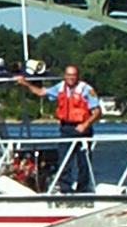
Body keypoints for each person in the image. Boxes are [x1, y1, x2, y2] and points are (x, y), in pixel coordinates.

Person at [16, 64, 101, 193]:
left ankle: (83, 188)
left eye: (73, 75)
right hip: (66, 128)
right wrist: (26, 83)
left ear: (77, 76)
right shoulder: (60, 87)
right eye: (68, 75)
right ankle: (65, 188)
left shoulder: (86, 89)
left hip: (82, 128)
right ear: (65, 76)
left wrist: (85, 125)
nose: (71, 78)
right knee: (64, 159)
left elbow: (97, 112)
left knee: (84, 161)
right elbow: (41, 92)